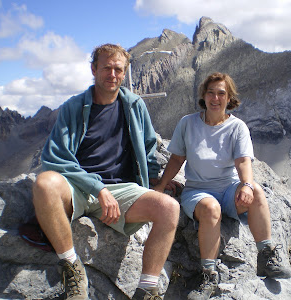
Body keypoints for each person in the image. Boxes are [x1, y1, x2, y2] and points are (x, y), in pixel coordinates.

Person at [32, 43, 180, 300]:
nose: (112, 74)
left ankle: (146, 289)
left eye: (118, 69)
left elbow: (147, 146)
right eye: (106, 68)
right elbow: (53, 157)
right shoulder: (73, 107)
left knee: (169, 208)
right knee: (44, 183)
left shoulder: (134, 105)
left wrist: (154, 176)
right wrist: (97, 188)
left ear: (125, 73)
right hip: (77, 186)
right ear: (94, 69)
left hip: (122, 189)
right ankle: (72, 268)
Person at [154, 72, 291, 299]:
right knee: (210, 208)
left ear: (229, 99)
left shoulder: (237, 127)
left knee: (256, 191)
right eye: (211, 93)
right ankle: (209, 273)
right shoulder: (187, 123)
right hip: (197, 191)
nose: (215, 98)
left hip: (228, 189)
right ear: (204, 96)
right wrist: (161, 186)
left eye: (221, 93)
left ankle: (265, 255)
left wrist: (246, 185)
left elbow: (243, 161)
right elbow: (177, 159)